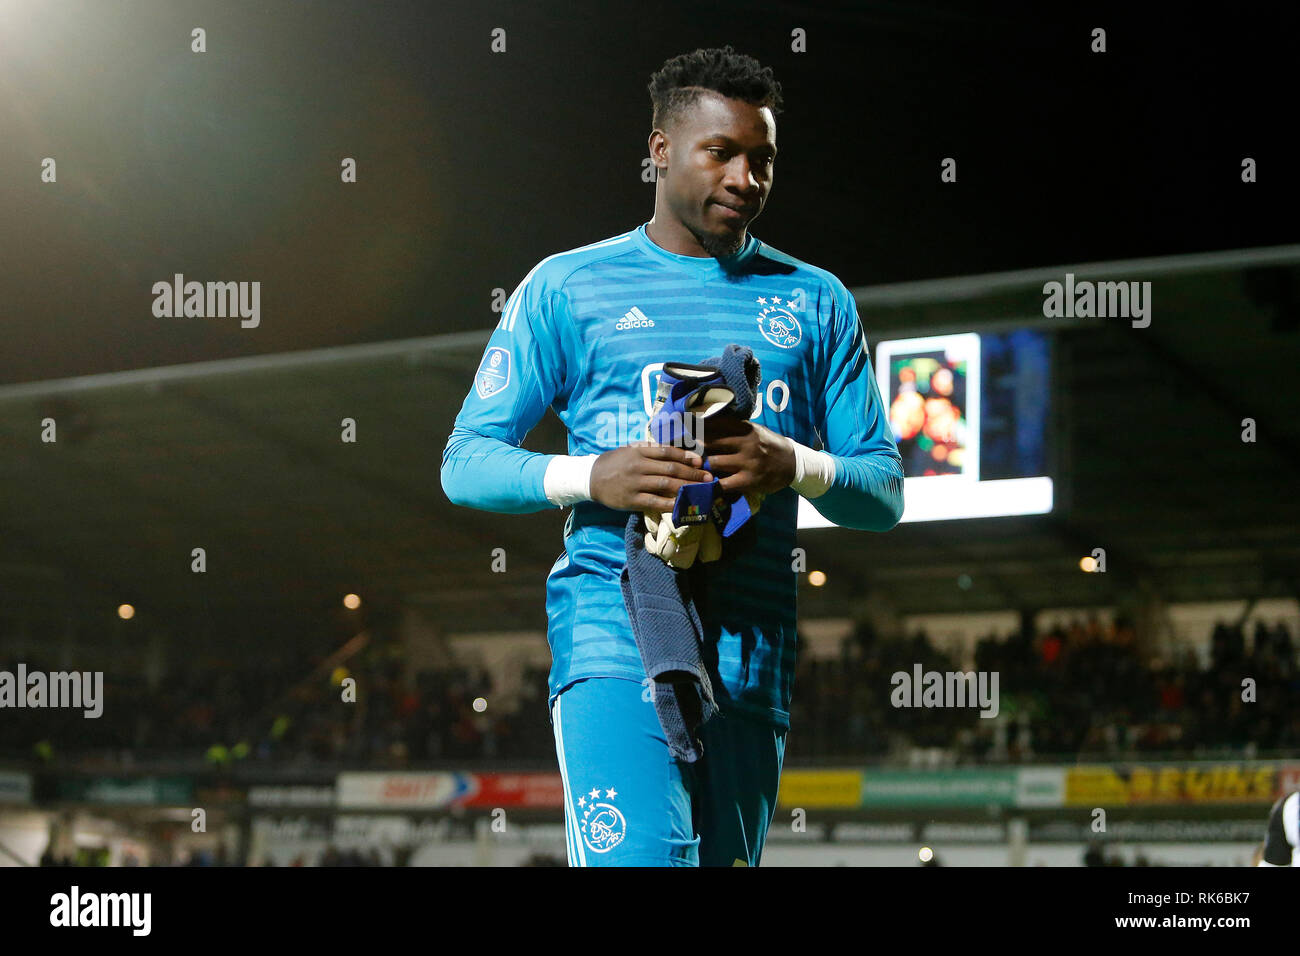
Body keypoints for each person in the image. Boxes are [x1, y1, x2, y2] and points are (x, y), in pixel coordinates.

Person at [441, 45, 903, 866]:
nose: (745, 178)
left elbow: (883, 490)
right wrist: (593, 476)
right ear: (660, 150)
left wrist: (792, 462)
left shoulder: (814, 298)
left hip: (752, 663)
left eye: (762, 159)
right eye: (720, 152)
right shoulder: (567, 286)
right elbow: (466, 460)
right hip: (614, 645)